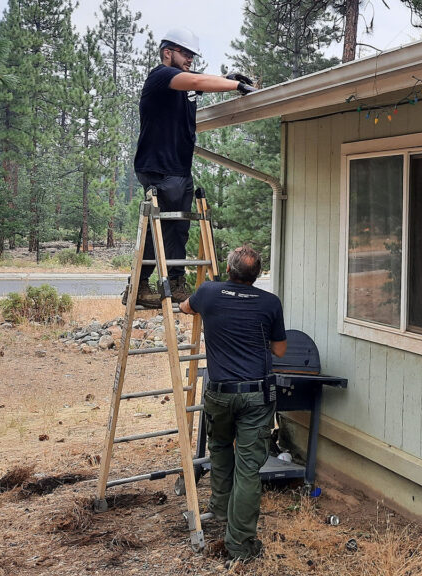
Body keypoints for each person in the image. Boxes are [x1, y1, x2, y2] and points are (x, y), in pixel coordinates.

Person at [125, 28, 257, 308]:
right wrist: (235, 86)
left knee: (179, 228)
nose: (189, 59)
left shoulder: (185, 87)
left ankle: (175, 281)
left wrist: (227, 78)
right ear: (167, 53)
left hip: (179, 168)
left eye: (191, 55)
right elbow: (196, 80)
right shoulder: (160, 76)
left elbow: (199, 82)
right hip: (158, 166)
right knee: (158, 227)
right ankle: (138, 286)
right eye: (184, 54)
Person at [179, 245, 286, 562]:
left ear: (228, 271)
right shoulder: (270, 303)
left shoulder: (209, 293)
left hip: (220, 393)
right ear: (258, 275)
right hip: (256, 395)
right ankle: (239, 544)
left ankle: (222, 508)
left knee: (222, 446)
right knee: (249, 468)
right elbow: (279, 351)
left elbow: (185, 307)